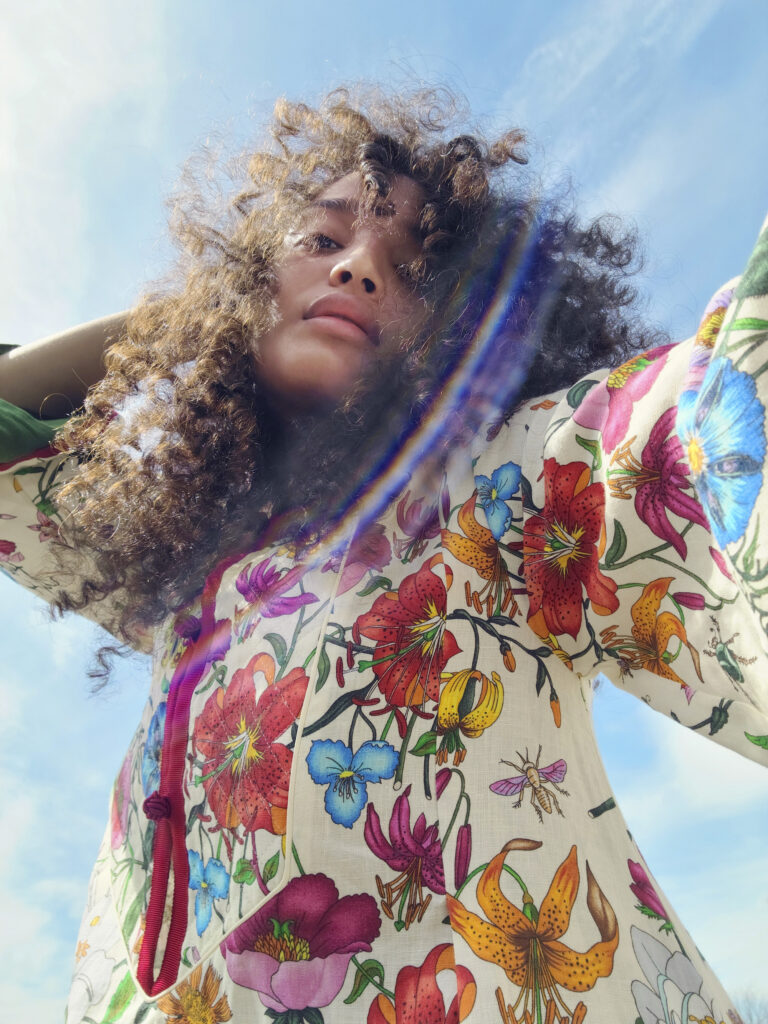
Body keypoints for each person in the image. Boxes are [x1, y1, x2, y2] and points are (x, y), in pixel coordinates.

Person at [1, 88, 765, 1024]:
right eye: (321, 242)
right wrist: (188, 324)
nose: (360, 266)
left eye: (412, 269)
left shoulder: (507, 492)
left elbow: (696, 436)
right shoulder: (178, 575)